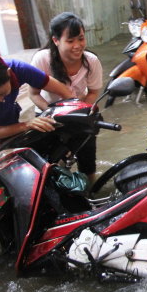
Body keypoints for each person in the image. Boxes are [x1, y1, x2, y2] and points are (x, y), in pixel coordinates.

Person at [0, 55, 74, 174]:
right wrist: (26, 125)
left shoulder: (18, 69)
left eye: (2, 94)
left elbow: (62, 90)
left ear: (9, 73)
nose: (0, 100)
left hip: (9, 131)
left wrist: (76, 113)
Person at [30, 12, 103, 182]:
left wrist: (78, 115)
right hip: (47, 115)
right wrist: (53, 115)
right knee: (47, 166)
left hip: (79, 112)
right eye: (70, 41)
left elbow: (93, 92)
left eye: (81, 38)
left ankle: (90, 191)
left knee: (88, 158)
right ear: (56, 41)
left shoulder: (91, 61)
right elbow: (33, 94)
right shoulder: (42, 59)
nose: (77, 45)